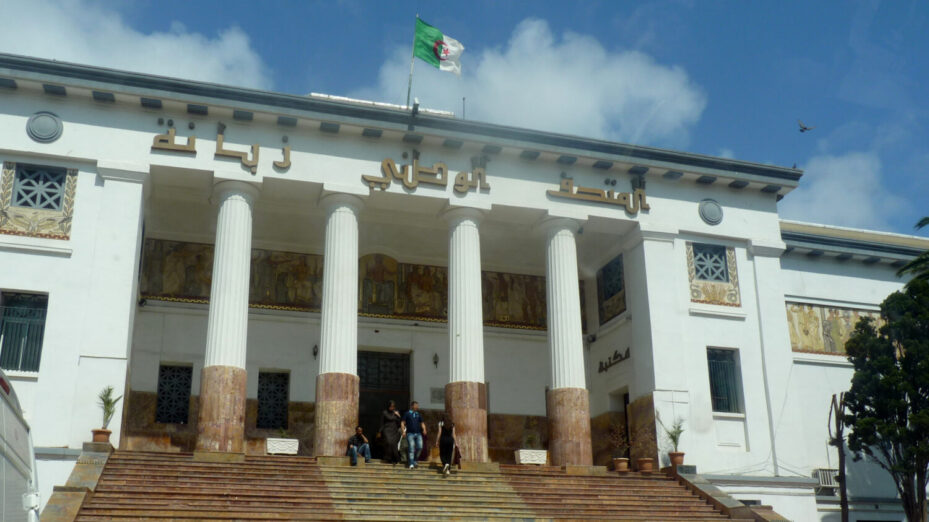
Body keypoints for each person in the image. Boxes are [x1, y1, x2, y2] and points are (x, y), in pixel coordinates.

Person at [401, 400, 426, 469]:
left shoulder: (418, 414)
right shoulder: (407, 413)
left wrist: (424, 429)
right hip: (410, 433)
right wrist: (403, 431)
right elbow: (402, 423)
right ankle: (411, 463)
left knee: (420, 447)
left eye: (417, 406)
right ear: (412, 406)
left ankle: (415, 459)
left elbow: (422, 423)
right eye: (415, 406)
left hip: (418, 433)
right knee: (411, 448)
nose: (417, 407)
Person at [380, 400, 402, 465]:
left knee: (394, 444)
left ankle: (393, 459)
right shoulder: (384, 413)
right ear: (388, 406)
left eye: (393, 406)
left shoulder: (395, 413)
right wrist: (380, 431)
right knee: (389, 442)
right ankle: (388, 458)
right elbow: (381, 422)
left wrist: (398, 415)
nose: (392, 408)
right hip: (387, 430)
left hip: (394, 430)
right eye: (391, 406)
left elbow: (400, 422)